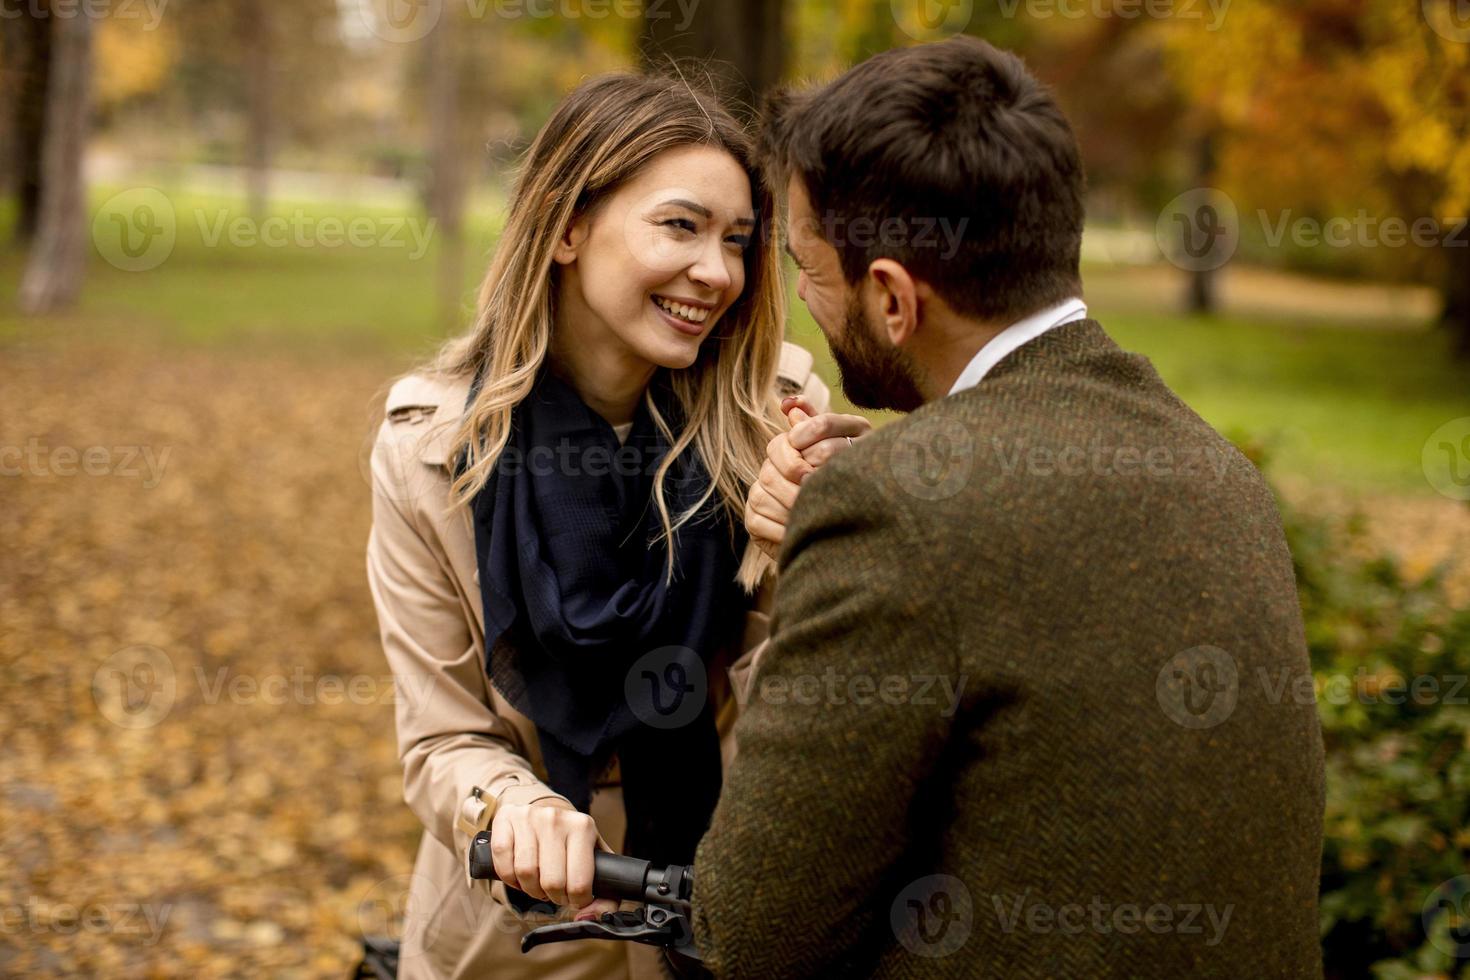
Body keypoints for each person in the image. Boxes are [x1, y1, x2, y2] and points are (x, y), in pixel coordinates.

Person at [694, 37, 1326, 978]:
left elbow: (750, 935)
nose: (800, 304)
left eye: (805, 268)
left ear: (894, 299)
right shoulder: (1217, 474)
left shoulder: (894, 512)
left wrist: (840, 555)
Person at [364, 71, 846, 980]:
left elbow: (812, 720)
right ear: (566, 228)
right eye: (681, 226)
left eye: (739, 241)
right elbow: (441, 736)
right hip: (517, 938)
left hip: (728, 919)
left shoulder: (777, 426)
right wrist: (512, 810)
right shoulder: (432, 451)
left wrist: (798, 555)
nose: (718, 272)